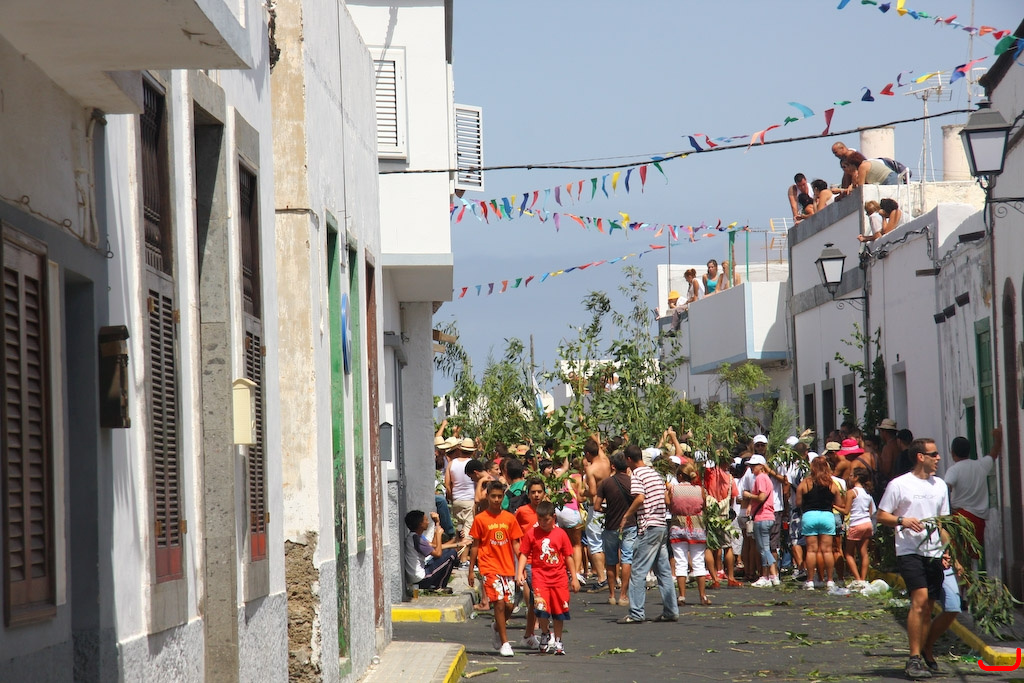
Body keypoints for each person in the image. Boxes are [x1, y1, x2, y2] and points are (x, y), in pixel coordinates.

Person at [877, 438, 952, 679]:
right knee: (918, 601)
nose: (938, 458)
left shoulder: (940, 486)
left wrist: (947, 550)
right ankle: (914, 658)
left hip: (934, 552)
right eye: (934, 454)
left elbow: (942, 523)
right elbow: (881, 515)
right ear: (920, 457)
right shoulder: (899, 485)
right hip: (909, 550)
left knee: (928, 607)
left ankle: (923, 652)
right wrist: (903, 520)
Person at [617, 444, 678, 623]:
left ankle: (636, 613)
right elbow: (665, 499)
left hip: (649, 526)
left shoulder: (637, 474)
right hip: (661, 524)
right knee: (663, 571)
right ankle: (671, 610)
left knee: (638, 571)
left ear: (629, 459)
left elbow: (640, 497)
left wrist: (626, 515)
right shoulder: (655, 474)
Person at [468, 481, 524, 657]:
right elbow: (475, 545)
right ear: (487, 496)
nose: (497, 500)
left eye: (500, 496)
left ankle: (497, 626)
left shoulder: (509, 518)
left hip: (507, 567)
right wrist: (471, 570)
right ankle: (505, 643)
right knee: (498, 603)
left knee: (509, 605)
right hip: (488, 566)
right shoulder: (480, 519)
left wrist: (521, 567)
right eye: (493, 496)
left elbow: (516, 543)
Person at [516, 501, 579, 655]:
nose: (543, 523)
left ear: (554, 517)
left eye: (546, 520)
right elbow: (524, 553)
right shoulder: (532, 533)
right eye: (540, 519)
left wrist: (574, 577)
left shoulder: (561, 534)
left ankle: (558, 640)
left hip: (559, 578)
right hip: (540, 577)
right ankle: (545, 633)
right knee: (541, 608)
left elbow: (568, 556)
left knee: (559, 611)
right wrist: (519, 572)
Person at [945, 427, 1002, 557]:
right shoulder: (981, 465)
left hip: (961, 517)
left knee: (959, 556)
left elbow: (946, 488)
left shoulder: (954, 470)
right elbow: (994, 453)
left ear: (952, 452)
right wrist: (998, 439)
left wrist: (947, 509)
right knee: (973, 554)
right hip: (979, 518)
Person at [595, 452, 637, 606]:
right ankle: (623, 595)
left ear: (613, 466)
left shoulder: (606, 483)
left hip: (611, 525)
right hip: (629, 524)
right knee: (627, 558)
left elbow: (597, 506)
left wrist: (608, 511)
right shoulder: (633, 482)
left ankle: (612, 594)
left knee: (611, 560)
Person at [796, 456, 844, 590]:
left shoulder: (805, 483)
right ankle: (830, 580)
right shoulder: (832, 484)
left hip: (810, 515)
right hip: (827, 516)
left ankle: (810, 580)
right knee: (827, 550)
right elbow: (839, 503)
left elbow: (798, 502)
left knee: (811, 550)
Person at [669, 463, 711, 605]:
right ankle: (703, 596)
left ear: (680, 476)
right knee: (699, 562)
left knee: (680, 562)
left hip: (678, 527)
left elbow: (669, 505)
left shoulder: (673, 489)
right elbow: (705, 507)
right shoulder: (700, 490)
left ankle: (682, 596)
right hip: (697, 527)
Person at [515, 477, 547, 650]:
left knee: (535, 600)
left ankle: (528, 635)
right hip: (529, 560)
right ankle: (546, 633)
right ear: (528, 494)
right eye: (533, 492)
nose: (536, 495)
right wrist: (520, 562)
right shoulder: (522, 512)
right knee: (539, 597)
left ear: (544, 493)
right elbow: (515, 536)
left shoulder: (548, 511)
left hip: (545, 561)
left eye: (539, 492)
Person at [742, 454, 779, 587]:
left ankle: (767, 576)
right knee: (765, 548)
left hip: (762, 516)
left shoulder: (760, 478)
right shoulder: (765, 478)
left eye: (754, 466)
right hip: (767, 516)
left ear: (761, 466)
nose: (751, 468)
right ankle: (772, 575)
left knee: (763, 549)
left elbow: (761, 497)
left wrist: (748, 495)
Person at [581, 437, 611, 592]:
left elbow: (593, 491)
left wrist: (582, 492)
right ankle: (612, 577)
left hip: (597, 506)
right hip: (609, 505)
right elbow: (598, 446)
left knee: (595, 543)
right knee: (608, 541)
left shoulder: (591, 469)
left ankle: (602, 579)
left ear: (587, 453)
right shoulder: (606, 461)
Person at [404, 510, 459, 590]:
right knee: (451, 553)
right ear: (420, 524)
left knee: (447, 552)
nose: (428, 522)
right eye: (426, 520)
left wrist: (437, 524)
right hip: (421, 578)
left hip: (419, 576)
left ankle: (436, 585)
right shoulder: (416, 539)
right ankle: (440, 586)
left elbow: (434, 546)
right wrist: (438, 535)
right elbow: (438, 553)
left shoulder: (414, 537)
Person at [446, 437, 477, 563]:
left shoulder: (451, 464)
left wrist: (452, 497)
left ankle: (458, 557)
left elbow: (447, 484)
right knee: (468, 530)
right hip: (469, 500)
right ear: (472, 451)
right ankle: (463, 560)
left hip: (456, 500)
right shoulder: (473, 464)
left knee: (459, 528)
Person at [843, 470, 875, 588]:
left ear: (856, 478)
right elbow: (871, 511)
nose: (849, 478)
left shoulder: (851, 492)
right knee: (864, 552)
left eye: (851, 476)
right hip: (867, 523)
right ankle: (863, 578)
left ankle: (857, 579)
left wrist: (834, 506)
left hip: (856, 524)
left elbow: (846, 511)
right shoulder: (867, 493)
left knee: (848, 553)